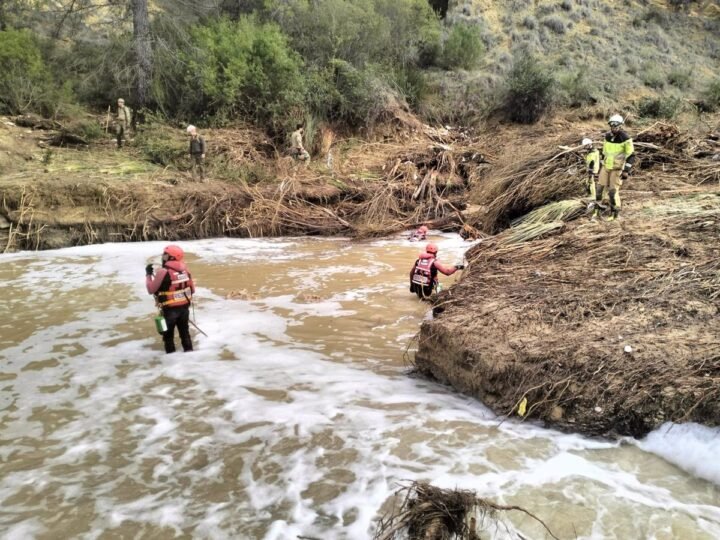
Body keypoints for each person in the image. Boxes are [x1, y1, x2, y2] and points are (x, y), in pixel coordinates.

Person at [146, 244, 195, 353]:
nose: (163, 256)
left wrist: (148, 274)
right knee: (185, 334)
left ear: (171, 257)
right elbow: (193, 290)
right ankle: (190, 355)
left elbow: (150, 289)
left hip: (170, 311)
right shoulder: (186, 270)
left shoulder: (163, 272)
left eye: (165, 254)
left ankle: (170, 360)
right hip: (184, 309)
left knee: (168, 338)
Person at [593, 114, 635, 221]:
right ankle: (597, 210)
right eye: (612, 126)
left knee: (612, 192)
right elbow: (604, 153)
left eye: (616, 126)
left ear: (620, 126)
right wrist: (601, 166)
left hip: (617, 169)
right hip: (606, 167)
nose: (614, 128)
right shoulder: (607, 137)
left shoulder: (625, 138)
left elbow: (631, 156)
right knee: (599, 189)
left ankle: (614, 213)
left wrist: (626, 170)